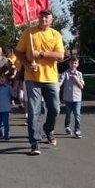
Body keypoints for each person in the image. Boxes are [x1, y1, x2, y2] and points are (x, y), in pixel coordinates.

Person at [15, 9, 64, 156]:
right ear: (38, 18)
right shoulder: (29, 33)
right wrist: (27, 64)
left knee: (55, 109)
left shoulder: (55, 34)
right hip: (32, 78)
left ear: (51, 19)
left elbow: (60, 56)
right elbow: (18, 52)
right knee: (33, 112)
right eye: (42, 16)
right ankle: (34, 143)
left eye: (47, 17)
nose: (44, 19)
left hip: (51, 78)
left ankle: (48, 129)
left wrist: (41, 54)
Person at [59, 56, 85, 137]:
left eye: (75, 63)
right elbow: (60, 83)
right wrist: (56, 87)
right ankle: (67, 126)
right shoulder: (65, 73)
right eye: (72, 63)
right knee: (68, 114)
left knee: (77, 115)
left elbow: (82, 86)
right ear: (69, 63)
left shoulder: (79, 74)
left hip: (77, 98)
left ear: (77, 64)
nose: (73, 64)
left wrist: (76, 79)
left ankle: (77, 130)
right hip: (68, 98)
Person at [0, 74, 12, 141]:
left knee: (6, 123)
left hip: (6, 109)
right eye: (0, 78)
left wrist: (16, 88)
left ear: (5, 79)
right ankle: (0, 134)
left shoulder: (8, 87)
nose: (2, 79)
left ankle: (7, 135)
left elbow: (13, 94)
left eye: (3, 78)